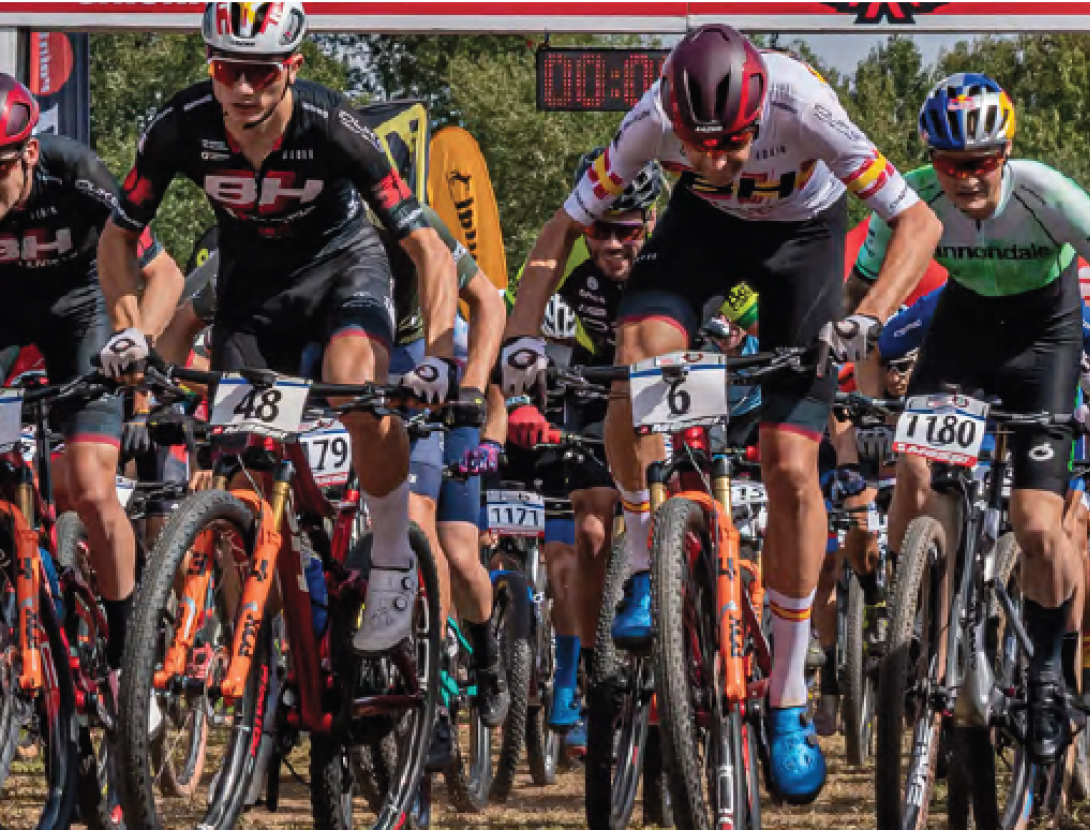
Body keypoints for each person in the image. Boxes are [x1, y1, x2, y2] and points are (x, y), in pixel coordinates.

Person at [502, 26, 942, 803]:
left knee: (791, 466)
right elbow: (559, 229)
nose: (716, 162)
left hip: (804, 243)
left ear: (759, 111)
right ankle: (645, 558)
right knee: (637, 358)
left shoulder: (804, 100)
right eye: (699, 148)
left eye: (733, 145)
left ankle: (787, 698)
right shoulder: (651, 119)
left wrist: (868, 316)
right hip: (701, 236)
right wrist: (523, 337)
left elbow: (919, 223)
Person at [99, 1, 461, 655]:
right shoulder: (180, 126)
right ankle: (267, 667)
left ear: (291, 68)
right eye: (227, 69)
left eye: (261, 74)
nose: (242, 89)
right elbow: (117, 241)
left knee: (356, 385)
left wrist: (437, 356)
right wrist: (130, 331)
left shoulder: (334, 124)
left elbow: (427, 250)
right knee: (242, 478)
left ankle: (388, 554)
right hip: (253, 291)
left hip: (343, 272)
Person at [854, 72, 1090, 764]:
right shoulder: (916, 196)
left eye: (981, 163)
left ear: (1005, 154)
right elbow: (860, 294)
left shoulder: (1048, 196)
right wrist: (861, 383)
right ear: (933, 157)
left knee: (1038, 524)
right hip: (961, 332)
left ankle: (1048, 672)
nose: (966, 179)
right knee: (916, 468)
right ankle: (916, 612)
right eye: (952, 163)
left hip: (1045, 340)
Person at [0, 73, 185, 675]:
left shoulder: (74, 170)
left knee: (90, 484)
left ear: (29, 151)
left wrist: (136, 342)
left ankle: (128, 645)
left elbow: (166, 277)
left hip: (79, 311)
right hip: (4, 313)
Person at [503, 149, 663, 738]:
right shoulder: (574, 290)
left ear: (649, 222)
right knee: (590, 535)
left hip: (673, 405)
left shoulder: (680, 262)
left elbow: (750, 321)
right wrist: (526, 407)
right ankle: (590, 670)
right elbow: (548, 359)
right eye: (601, 231)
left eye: (627, 230)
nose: (615, 244)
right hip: (599, 409)